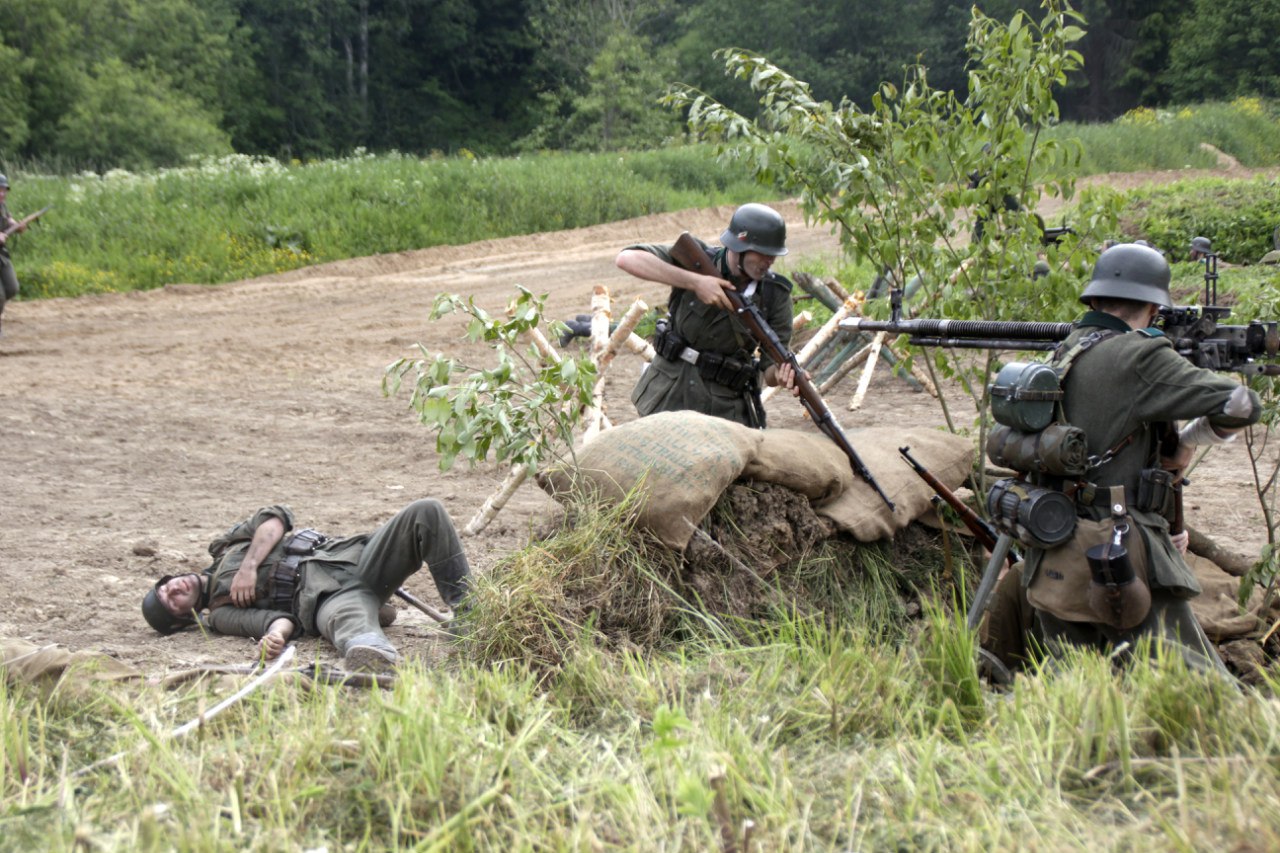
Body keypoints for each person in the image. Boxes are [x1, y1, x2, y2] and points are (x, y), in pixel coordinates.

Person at [1019, 243, 1262, 678]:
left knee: (1074, 687)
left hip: (1054, 542)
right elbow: (1243, 404)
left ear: (1094, 300)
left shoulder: (1064, 351)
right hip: (1118, 552)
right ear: (1154, 307)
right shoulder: (1142, 355)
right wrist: (1188, 442)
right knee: (1199, 685)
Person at [142, 499, 472, 671]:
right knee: (354, 629)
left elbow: (277, 517)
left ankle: (471, 614)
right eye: (170, 601)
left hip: (358, 555)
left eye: (165, 586)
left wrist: (249, 566)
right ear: (184, 619)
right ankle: (377, 658)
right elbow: (277, 621)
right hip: (326, 599)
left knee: (426, 512)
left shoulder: (224, 547)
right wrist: (275, 637)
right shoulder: (220, 614)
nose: (173, 588)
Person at [617, 203, 798, 427]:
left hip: (724, 409)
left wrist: (780, 374)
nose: (769, 261)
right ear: (739, 246)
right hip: (667, 393)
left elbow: (770, 371)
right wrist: (695, 282)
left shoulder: (775, 295)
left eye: (773, 255)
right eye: (763, 253)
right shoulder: (698, 260)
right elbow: (627, 259)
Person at [0, 173, 26, 336]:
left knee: (12, 288)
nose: (2, 193)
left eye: (4, 190)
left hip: (1, 255)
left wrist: (16, 225)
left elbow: (8, 220)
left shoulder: (2, 206)